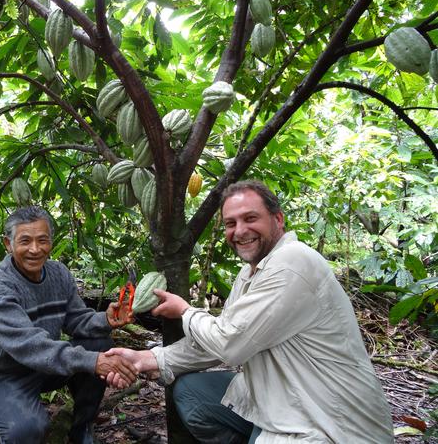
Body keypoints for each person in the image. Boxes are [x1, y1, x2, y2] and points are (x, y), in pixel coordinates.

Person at [106, 180, 394, 443]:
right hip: (279, 396)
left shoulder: (293, 262)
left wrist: (185, 311)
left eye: (250, 218)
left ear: (278, 219)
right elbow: (217, 345)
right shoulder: (249, 273)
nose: (240, 231)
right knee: (192, 393)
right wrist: (145, 359)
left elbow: (228, 343)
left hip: (327, 420)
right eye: (231, 223)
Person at [0, 206, 137, 444]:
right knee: (26, 430)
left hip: (47, 366)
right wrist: (94, 362)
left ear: (51, 241)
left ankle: (82, 427)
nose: (35, 249)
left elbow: (76, 320)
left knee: (100, 343)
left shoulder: (58, 273)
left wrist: (105, 320)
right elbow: (32, 347)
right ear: (8, 244)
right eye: (25, 241)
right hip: (6, 376)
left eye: (42, 240)